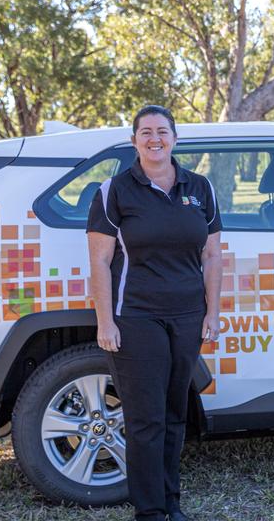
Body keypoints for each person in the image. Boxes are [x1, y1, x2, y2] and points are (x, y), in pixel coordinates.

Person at [87, 105, 222, 521]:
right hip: (135, 317)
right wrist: (105, 321)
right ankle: (149, 511)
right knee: (146, 420)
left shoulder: (200, 188)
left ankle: (171, 504)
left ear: (175, 139)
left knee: (174, 414)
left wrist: (212, 312)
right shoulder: (113, 191)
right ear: (134, 142)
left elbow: (213, 254)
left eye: (162, 131)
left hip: (186, 318)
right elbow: (99, 261)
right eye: (145, 132)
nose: (154, 139)